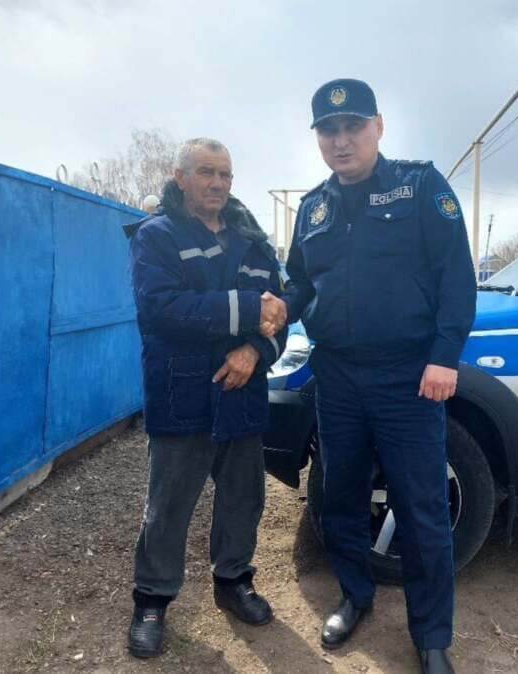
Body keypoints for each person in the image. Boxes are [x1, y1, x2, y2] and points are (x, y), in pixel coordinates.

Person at [282, 78, 475, 674]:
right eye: (328, 131)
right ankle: (354, 597)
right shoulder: (313, 207)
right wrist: (276, 309)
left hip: (408, 377)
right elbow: (300, 282)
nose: (341, 141)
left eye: (353, 127)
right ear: (318, 138)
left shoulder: (420, 186)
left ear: (378, 127)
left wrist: (444, 355)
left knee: (422, 507)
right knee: (340, 496)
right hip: (337, 376)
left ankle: (432, 636)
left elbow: (456, 276)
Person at [123, 138, 289, 658]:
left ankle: (233, 580)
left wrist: (256, 351)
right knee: (168, 504)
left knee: (244, 498)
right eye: (206, 172)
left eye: (225, 174)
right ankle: (152, 599)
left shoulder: (253, 241)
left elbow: (280, 316)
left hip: (243, 390)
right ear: (180, 177)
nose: (218, 183)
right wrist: (249, 310)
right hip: (183, 391)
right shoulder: (157, 236)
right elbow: (163, 309)